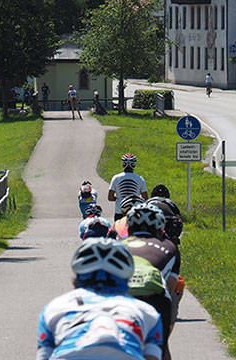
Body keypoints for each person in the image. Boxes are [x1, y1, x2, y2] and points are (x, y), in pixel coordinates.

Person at [36, 238, 163, 360]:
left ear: (75, 281)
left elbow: (43, 356)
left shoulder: (54, 308)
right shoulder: (147, 312)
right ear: (127, 281)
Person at [124, 202, 180, 360]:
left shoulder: (117, 246)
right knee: (161, 347)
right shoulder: (170, 247)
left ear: (128, 229)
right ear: (161, 230)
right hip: (155, 300)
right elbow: (169, 288)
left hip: (121, 299)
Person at [108, 153, 148, 221]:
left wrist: (118, 197)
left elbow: (110, 197)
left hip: (120, 211)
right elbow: (145, 198)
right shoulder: (140, 179)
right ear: (134, 165)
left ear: (123, 165)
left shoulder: (116, 178)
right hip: (135, 212)